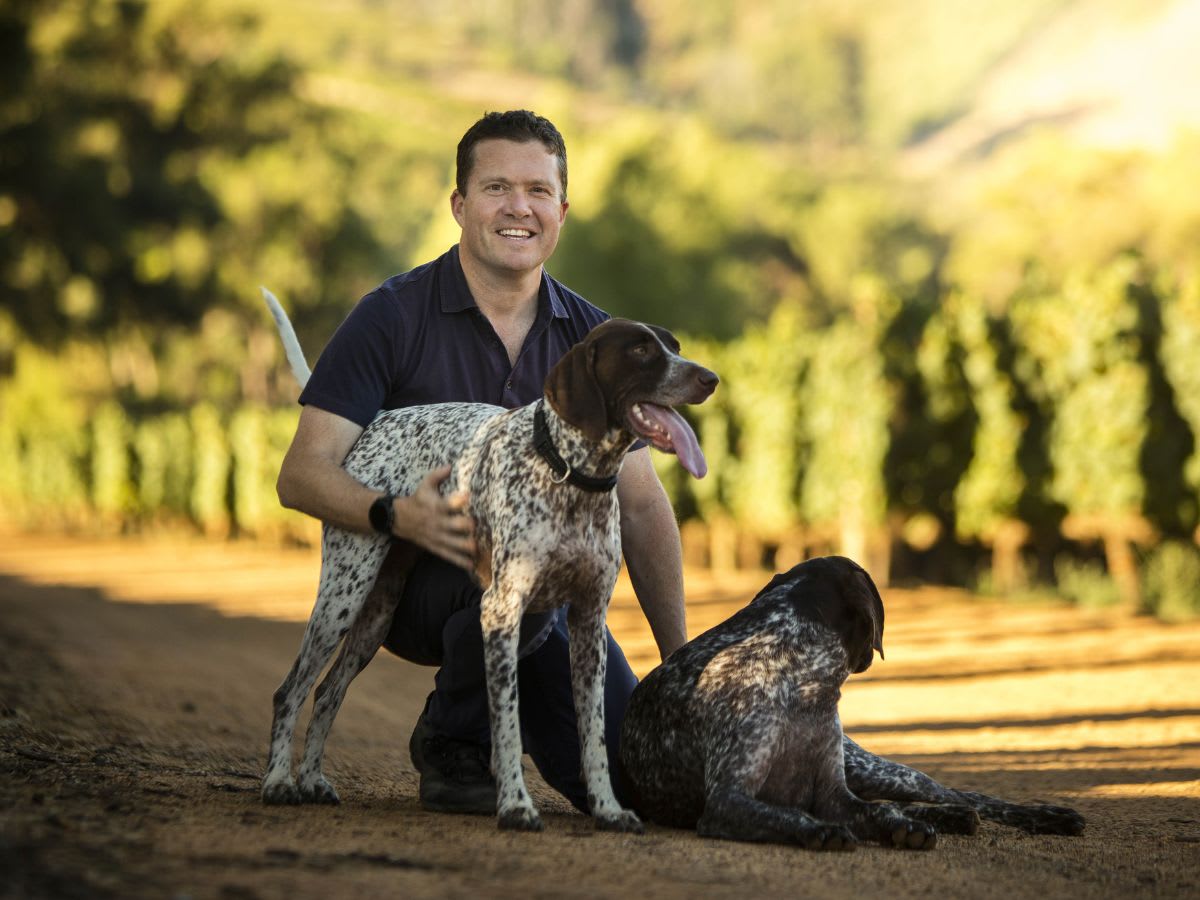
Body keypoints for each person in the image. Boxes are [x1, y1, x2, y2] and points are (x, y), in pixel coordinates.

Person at [276, 110, 688, 816]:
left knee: (642, 783)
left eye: (537, 190)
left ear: (562, 209)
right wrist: (396, 516)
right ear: (460, 205)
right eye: (496, 187)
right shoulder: (391, 316)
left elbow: (642, 504)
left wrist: (681, 667)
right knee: (516, 595)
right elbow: (302, 474)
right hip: (422, 591)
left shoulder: (596, 339)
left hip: (547, 605)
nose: (518, 207)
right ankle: (452, 739)